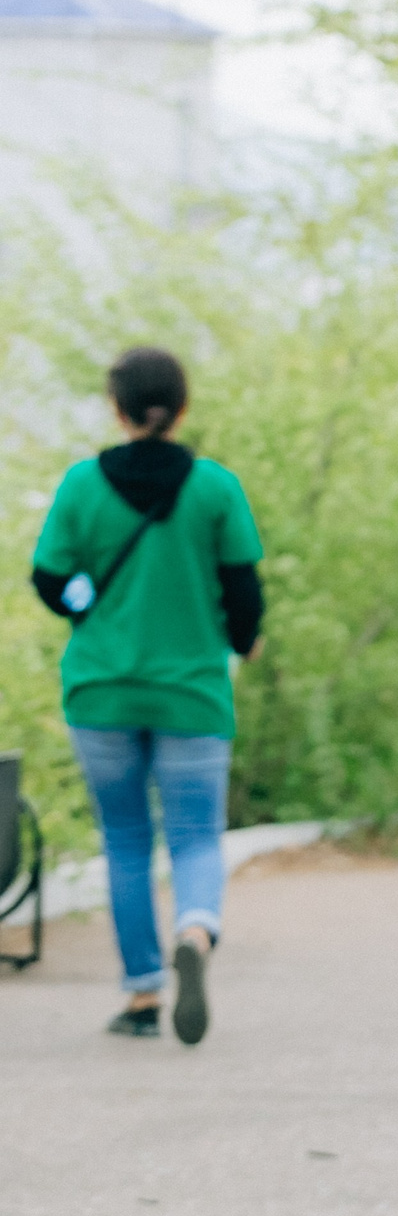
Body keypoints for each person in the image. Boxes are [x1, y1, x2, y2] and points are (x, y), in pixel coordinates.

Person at [28, 348, 263, 1045]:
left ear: (116, 408)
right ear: (182, 408)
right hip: (190, 691)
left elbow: (48, 580)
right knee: (194, 836)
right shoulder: (217, 487)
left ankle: (140, 995)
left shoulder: (79, 485)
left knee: (126, 842)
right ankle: (195, 929)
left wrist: (87, 601)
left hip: (100, 689)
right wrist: (242, 641)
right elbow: (244, 593)